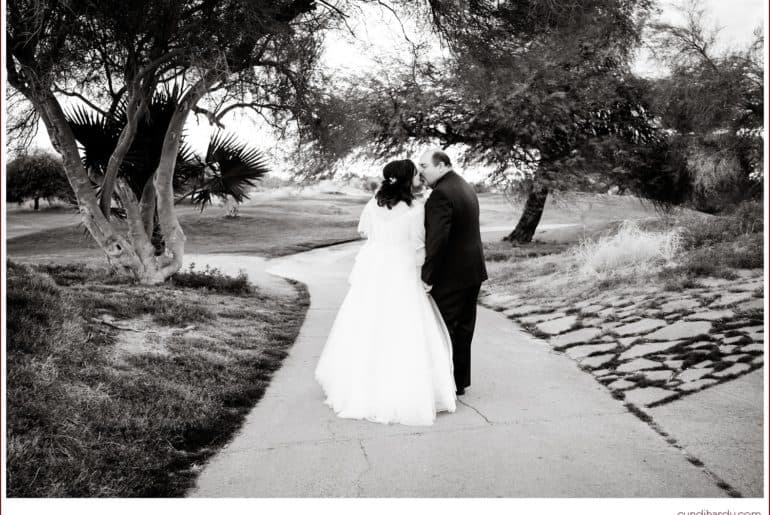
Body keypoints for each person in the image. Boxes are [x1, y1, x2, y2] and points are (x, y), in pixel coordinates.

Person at [314, 159, 457, 426]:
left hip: (375, 271)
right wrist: (424, 274)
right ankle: (401, 390)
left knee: (369, 323)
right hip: (401, 270)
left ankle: (359, 386)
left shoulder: (373, 204)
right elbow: (418, 246)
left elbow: (368, 236)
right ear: (407, 178)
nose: (419, 177)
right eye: (416, 173)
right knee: (403, 326)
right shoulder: (416, 208)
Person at [418, 149, 487, 396]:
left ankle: (444, 385)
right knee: (463, 329)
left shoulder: (440, 195)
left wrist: (427, 277)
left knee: (443, 328)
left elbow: (438, 241)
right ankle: (458, 382)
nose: (421, 171)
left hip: (451, 275)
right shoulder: (464, 186)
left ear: (442, 165)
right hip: (472, 271)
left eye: (424, 166)